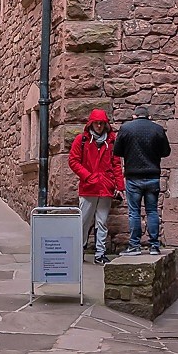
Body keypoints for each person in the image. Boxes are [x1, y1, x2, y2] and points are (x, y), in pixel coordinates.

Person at [68, 108, 124, 265]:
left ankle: (100, 253)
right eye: (96, 123)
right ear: (91, 124)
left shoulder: (111, 141)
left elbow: (116, 165)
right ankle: (80, 249)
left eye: (101, 123)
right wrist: (88, 176)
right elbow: (73, 161)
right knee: (84, 221)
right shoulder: (82, 140)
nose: (99, 126)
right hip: (89, 187)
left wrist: (119, 186)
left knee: (102, 221)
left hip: (105, 187)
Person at [113, 105, 171, 255]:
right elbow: (166, 152)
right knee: (152, 211)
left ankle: (134, 246)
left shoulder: (126, 129)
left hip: (133, 176)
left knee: (134, 212)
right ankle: (154, 246)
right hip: (152, 176)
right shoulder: (157, 129)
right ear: (149, 117)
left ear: (134, 116)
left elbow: (117, 151)